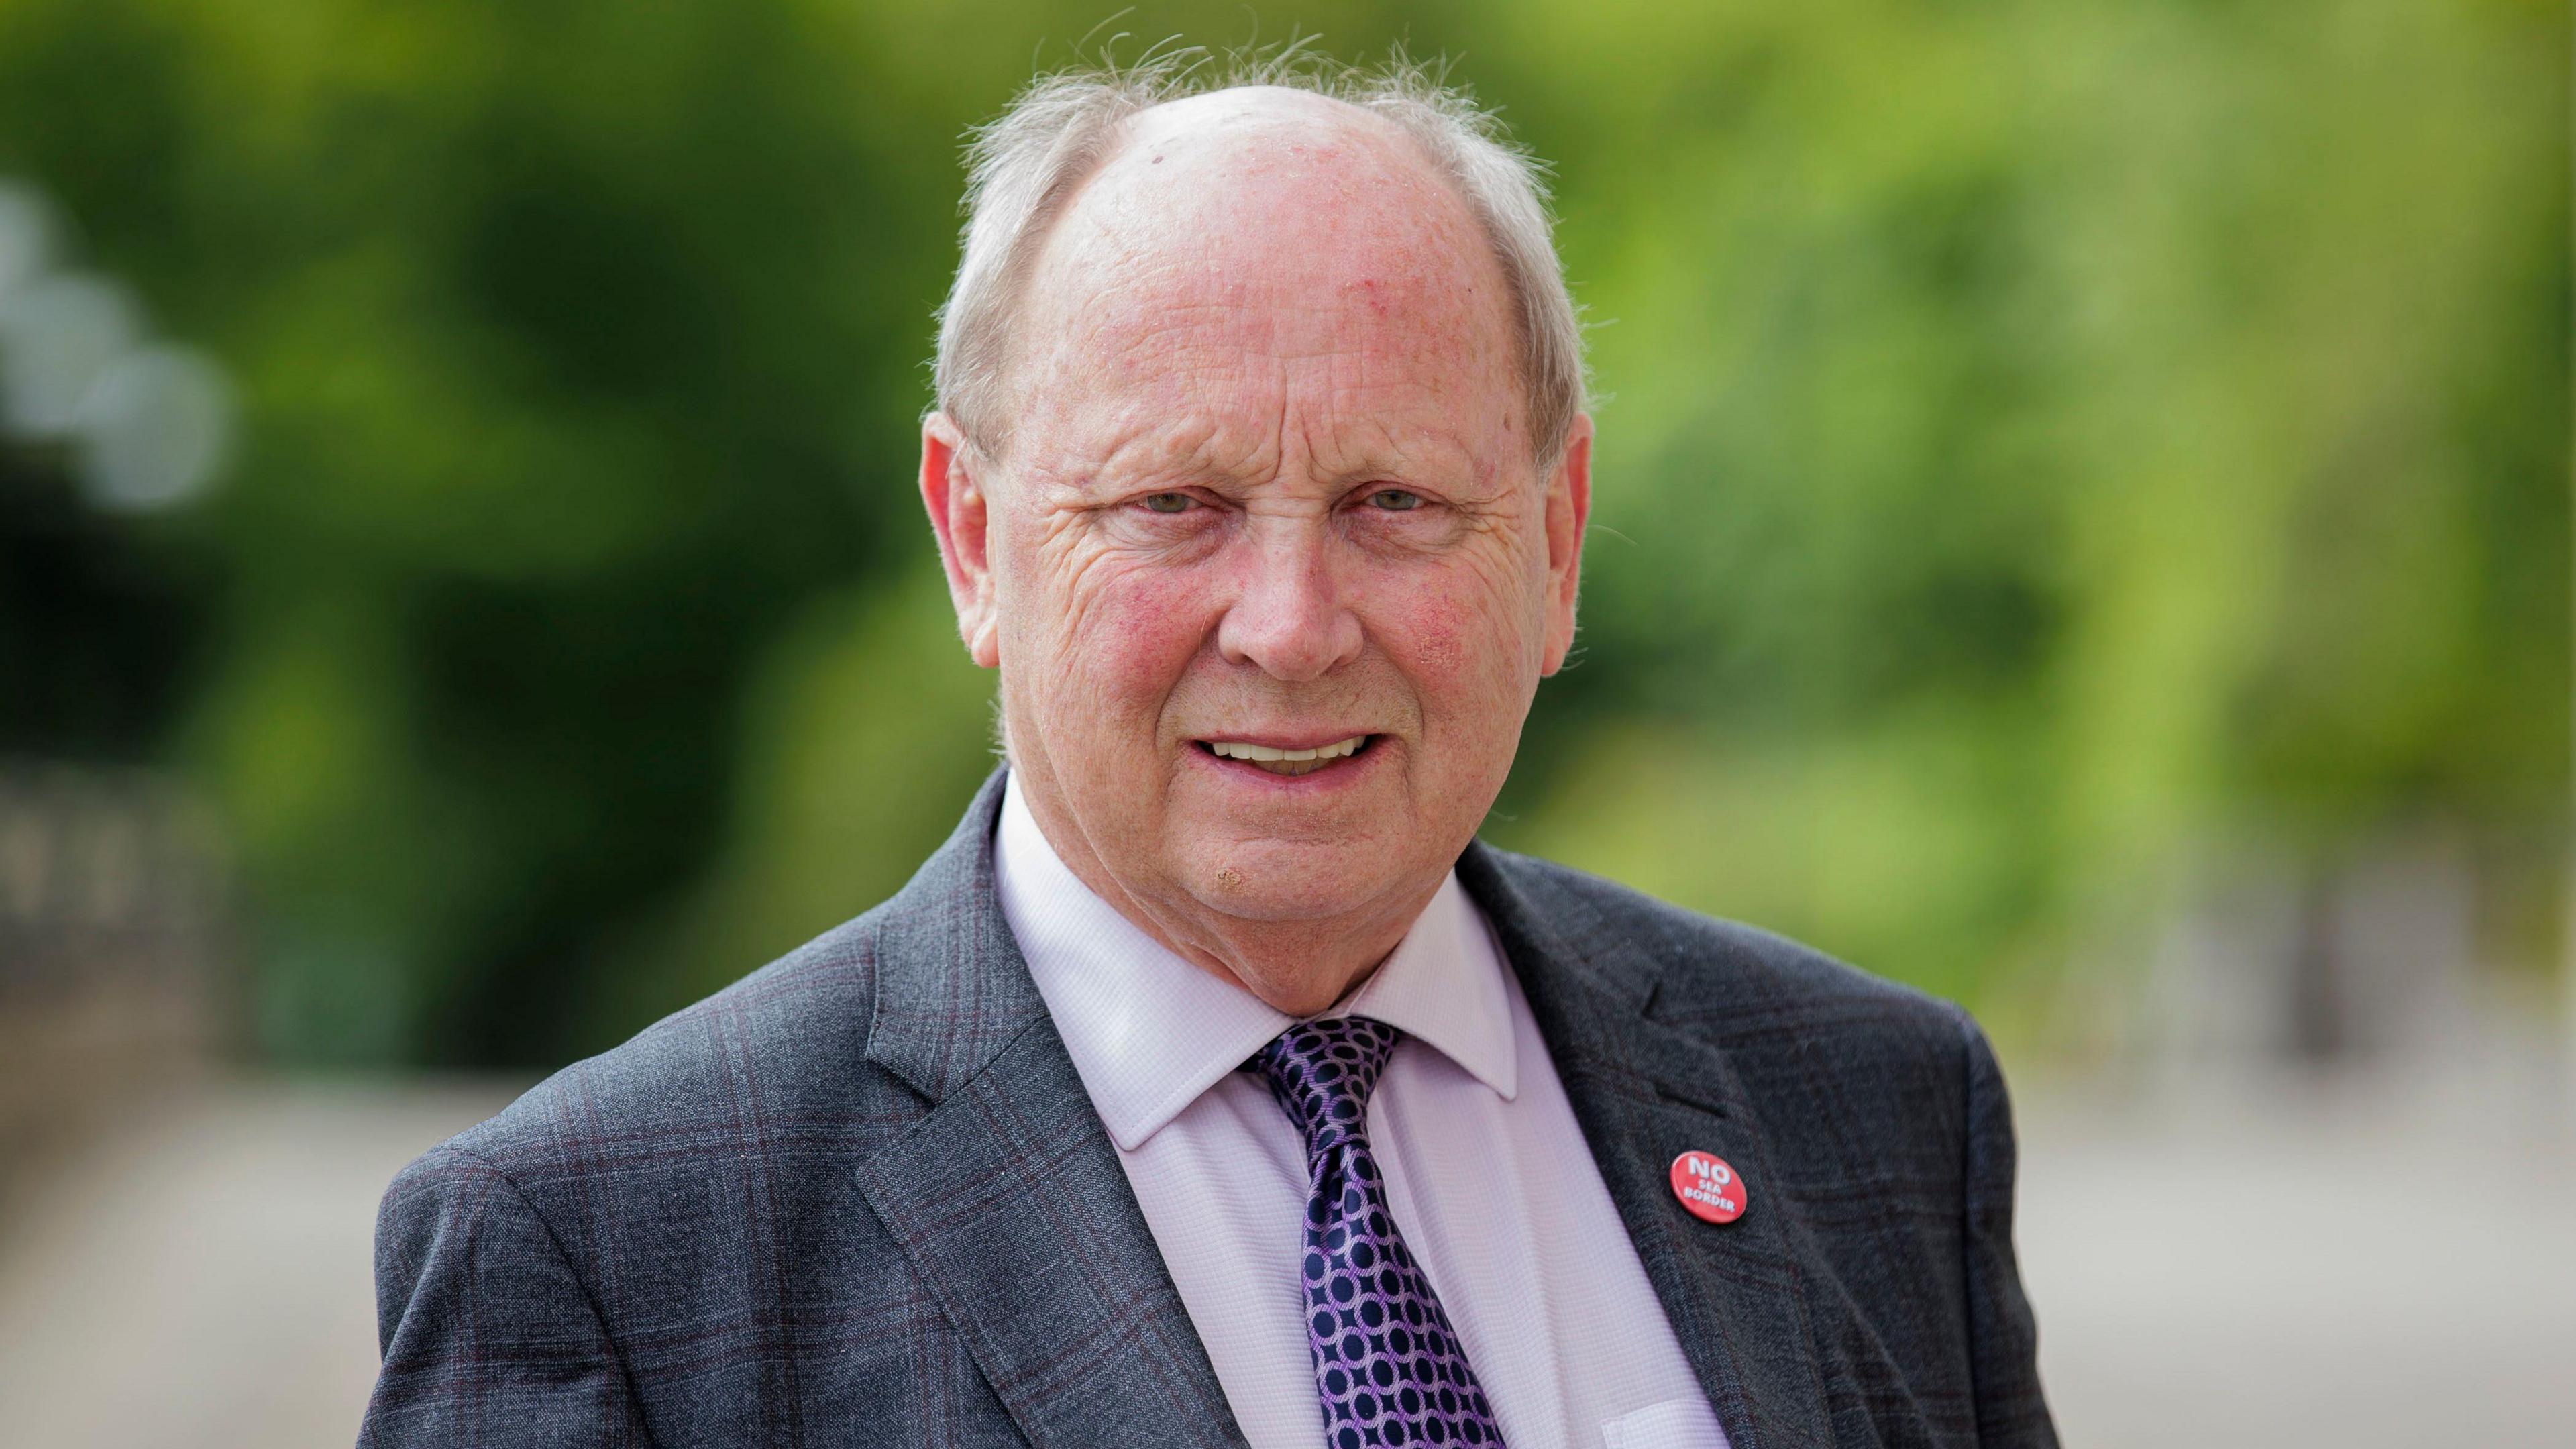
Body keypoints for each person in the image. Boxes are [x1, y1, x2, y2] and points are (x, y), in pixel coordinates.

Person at [360, 59, 2055, 1449]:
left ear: (1556, 541)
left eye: (1395, 502)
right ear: (973, 541)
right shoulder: (601, 1260)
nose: (1294, 625)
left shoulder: (1882, 1116)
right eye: (1174, 505)